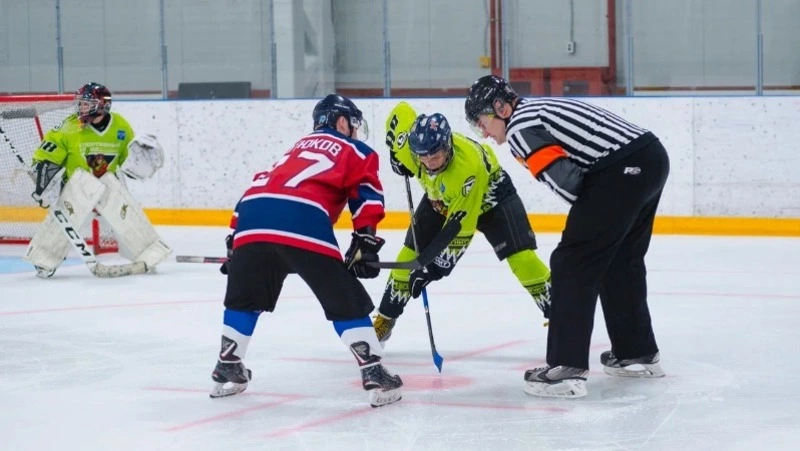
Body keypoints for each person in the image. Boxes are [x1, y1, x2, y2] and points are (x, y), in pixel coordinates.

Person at [465, 75, 670, 398]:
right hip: (651, 157)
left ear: (501, 108)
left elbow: (569, 184)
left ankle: (566, 367)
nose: (485, 133)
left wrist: (592, 220)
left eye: (482, 122)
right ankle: (636, 352)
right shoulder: (536, 110)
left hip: (620, 170)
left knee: (571, 261)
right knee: (619, 259)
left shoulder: (520, 127)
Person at [209, 94, 403, 408]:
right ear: (342, 122)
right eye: (353, 124)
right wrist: (365, 240)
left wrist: (235, 242)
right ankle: (374, 371)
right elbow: (366, 194)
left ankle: (228, 363)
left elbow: (258, 186)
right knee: (342, 294)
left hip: (252, 219)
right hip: (301, 217)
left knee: (246, 295)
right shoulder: (355, 149)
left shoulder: (293, 150)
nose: (355, 130)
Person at [373, 101, 552, 345]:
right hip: (441, 199)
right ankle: (385, 318)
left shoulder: (467, 168)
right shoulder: (410, 148)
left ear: (447, 146)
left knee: (522, 259)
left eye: (435, 155)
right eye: (423, 156)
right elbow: (401, 111)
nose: (429, 162)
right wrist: (395, 153)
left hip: (493, 199)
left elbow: (461, 231)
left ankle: (559, 310)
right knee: (409, 255)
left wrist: (431, 270)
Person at [24, 82, 171, 278]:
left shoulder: (120, 126)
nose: (81, 108)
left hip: (107, 185)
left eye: (86, 104)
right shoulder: (69, 127)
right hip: (76, 187)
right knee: (75, 200)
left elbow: (128, 162)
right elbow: (45, 157)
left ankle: (148, 253)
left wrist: (142, 161)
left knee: (121, 202)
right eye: (80, 103)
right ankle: (44, 258)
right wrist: (44, 180)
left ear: (102, 105)